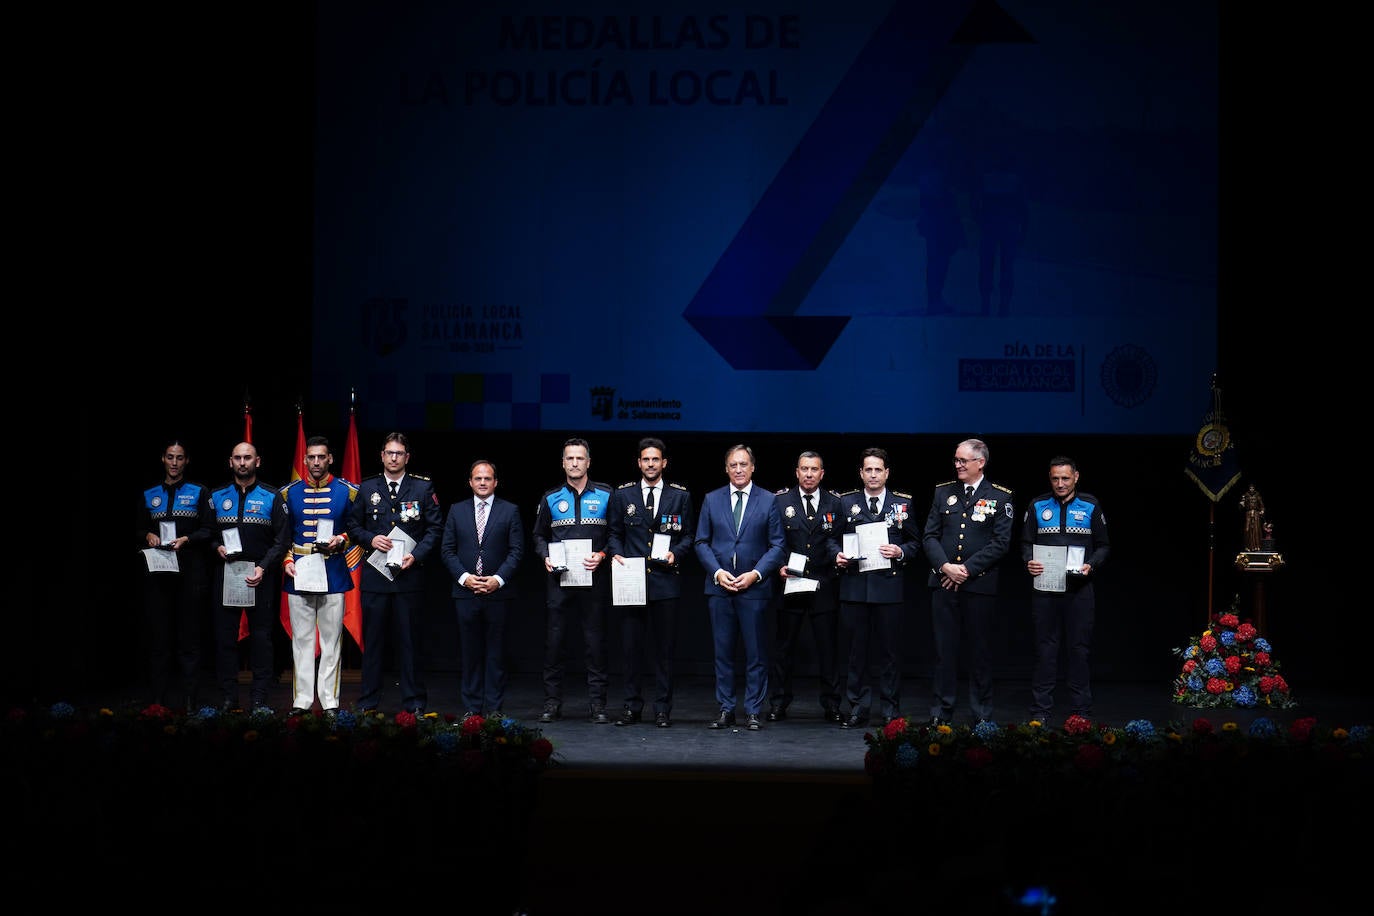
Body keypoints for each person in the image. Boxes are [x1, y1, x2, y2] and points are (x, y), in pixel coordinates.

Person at [345, 432, 443, 715]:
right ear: (382, 456)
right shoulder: (366, 488)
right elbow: (352, 525)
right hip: (376, 578)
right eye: (389, 453)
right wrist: (369, 539)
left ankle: (414, 704)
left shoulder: (422, 489)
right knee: (373, 643)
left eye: (399, 453)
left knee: (410, 644)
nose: (394, 458)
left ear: (407, 458)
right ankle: (368, 703)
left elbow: (435, 529)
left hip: (409, 578)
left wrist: (417, 555)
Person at [694, 444, 786, 731]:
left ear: (753, 467)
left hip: (754, 589)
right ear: (726, 468)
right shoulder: (711, 499)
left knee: (756, 653)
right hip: (720, 588)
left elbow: (778, 545)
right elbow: (701, 542)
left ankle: (754, 710)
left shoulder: (769, 500)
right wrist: (718, 572)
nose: (738, 469)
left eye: (743, 464)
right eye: (733, 465)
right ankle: (726, 708)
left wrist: (756, 574)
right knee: (723, 653)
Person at [922, 438, 1013, 725]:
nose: (958, 465)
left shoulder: (1000, 497)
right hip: (944, 584)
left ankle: (981, 714)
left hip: (979, 586)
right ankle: (941, 711)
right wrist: (946, 567)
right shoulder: (943, 493)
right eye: (957, 460)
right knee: (943, 652)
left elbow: (1001, 543)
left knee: (980, 653)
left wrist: (966, 570)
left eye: (963, 460)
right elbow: (929, 536)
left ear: (980, 462)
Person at [606, 437, 694, 728]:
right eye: (646, 459)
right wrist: (616, 554)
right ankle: (631, 707)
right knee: (631, 650)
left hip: (665, 582)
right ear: (639, 463)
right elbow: (615, 533)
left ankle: (662, 709)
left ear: (664, 463)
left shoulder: (680, 496)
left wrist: (675, 553)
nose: (651, 464)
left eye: (656, 459)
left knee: (664, 651)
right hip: (630, 582)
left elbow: (688, 537)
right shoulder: (623, 495)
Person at [834, 448, 922, 729]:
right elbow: (829, 538)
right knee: (856, 653)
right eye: (868, 470)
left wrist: (901, 551)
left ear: (887, 473)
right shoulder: (846, 503)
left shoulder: (903, 504)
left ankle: (889, 709)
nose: (873, 475)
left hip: (888, 588)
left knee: (889, 653)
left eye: (878, 470)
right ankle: (858, 707)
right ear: (861, 473)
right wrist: (836, 553)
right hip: (855, 587)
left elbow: (916, 543)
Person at [532, 437, 614, 724]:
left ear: (588, 462)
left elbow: (616, 536)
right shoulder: (551, 497)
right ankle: (552, 703)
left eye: (580, 458)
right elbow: (539, 536)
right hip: (559, 581)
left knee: (595, 644)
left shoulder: (606, 495)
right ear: (563, 462)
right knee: (554, 643)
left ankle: (598, 705)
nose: (575, 463)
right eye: (570, 458)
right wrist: (544, 555)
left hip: (594, 581)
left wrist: (603, 554)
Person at [1022, 455, 1109, 723]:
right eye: (1055, 478)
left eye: (1065, 478)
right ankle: (1041, 711)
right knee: (1045, 651)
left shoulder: (1090, 505)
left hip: (1079, 591)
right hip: (1046, 591)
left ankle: (1081, 711)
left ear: (1076, 477)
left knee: (1078, 650)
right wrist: (1029, 562)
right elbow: (1025, 543)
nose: (1060, 483)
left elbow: (1104, 545)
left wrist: (1091, 566)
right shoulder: (1037, 505)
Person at [209, 441, 290, 712]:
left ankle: (259, 697)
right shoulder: (217, 495)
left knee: (261, 640)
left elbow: (282, 540)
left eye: (247, 458)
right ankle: (229, 697)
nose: (242, 463)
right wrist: (215, 547)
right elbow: (206, 533)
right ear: (230, 462)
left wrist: (264, 566)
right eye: (237, 458)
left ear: (258, 462)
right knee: (225, 639)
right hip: (226, 574)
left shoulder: (272, 496)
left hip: (260, 575)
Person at [281, 435, 358, 718]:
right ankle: (301, 701)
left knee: (331, 642)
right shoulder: (288, 493)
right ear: (305, 460)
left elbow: (358, 528)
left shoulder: (348, 492)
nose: (316, 462)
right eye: (311, 457)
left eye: (321, 457)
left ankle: (329, 702)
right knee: (301, 641)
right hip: (299, 571)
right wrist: (287, 559)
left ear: (330, 459)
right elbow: (282, 535)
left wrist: (344, 538)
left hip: (333, 571)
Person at [440, 459, 524, 717]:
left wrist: (497, 580)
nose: (483, 482)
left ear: (495, 482)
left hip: (498, 593)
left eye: (488, 478)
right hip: (465, 592)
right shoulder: (457, 510)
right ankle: (472, 709)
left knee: (496, 655)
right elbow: (447, 549)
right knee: (470, 654)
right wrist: (464, 577)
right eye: (478, 478)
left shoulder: (510, 511)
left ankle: (495, 708)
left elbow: (517, 551)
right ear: (470, 482)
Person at [768, 450, 844, 723]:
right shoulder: (779, 501)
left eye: (814, 469)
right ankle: (778, 703)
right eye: (804, 469)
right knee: (783, 649)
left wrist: (838, 557)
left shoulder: (835, 502)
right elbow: (774, 541)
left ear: (822, 473)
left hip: (824, 583)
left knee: (828, 649)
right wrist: (778, 567)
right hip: (790, 582)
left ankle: (832, 704)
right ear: (796, 472)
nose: (809, 474)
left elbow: (838, 539)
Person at [139, 439, 214, 710]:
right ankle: (158, 701)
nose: (174, 462)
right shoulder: (149, 493)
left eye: (179, 458)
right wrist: (146, 534)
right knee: (159, 642)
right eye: (170, 457)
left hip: (190, 577)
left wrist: (188, 539)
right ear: (162, 459)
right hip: (158, 577)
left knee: (189, 643)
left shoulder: (199, 492)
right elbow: (137, 528)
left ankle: (190, 701)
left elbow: (209, 530)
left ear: (186, 461)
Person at [1240, 485, 1265, 552]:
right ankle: (1248, 546)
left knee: (1256, 529)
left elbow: (1262, 505)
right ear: (1249, 489)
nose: (1251, 489)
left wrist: (1262, 510)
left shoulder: (1258, 496)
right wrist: (1241, 504)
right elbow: (1241, 507)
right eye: (1250, 488)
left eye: (1253, 488)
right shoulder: (1246, 496)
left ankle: (1257, 546)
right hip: (1248, 514)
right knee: (1247, 530)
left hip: (1256, 514)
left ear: (1254, 489)